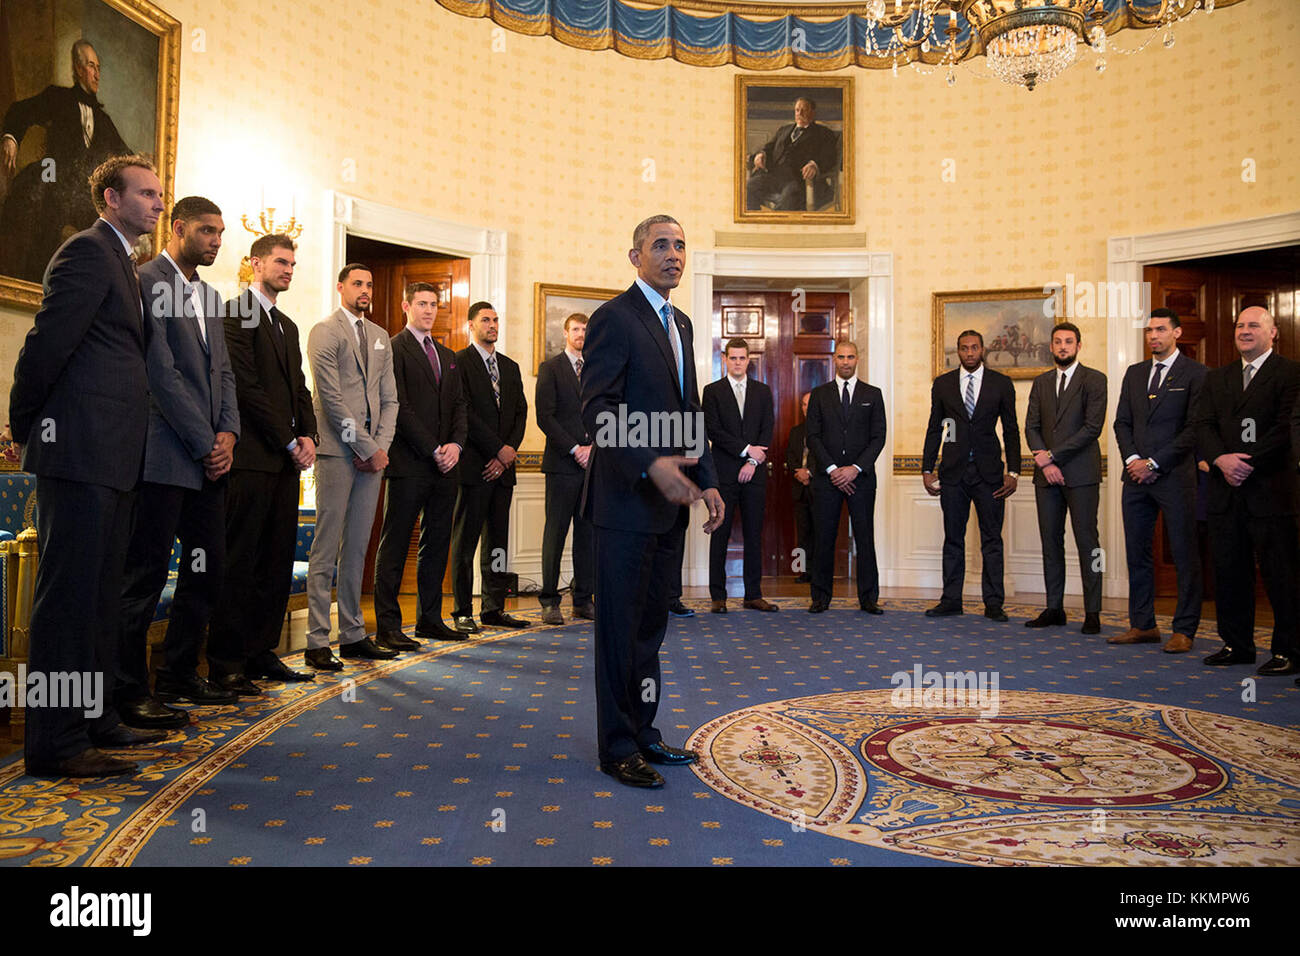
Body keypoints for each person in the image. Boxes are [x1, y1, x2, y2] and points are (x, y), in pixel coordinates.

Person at [8, 154, 163, 776]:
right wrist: (22, 425)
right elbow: (45, 344)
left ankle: (96, 720)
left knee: (100, 597)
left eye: (158, 193)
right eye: (146, 194)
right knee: (70, 600)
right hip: (78, 450)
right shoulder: (87, 251)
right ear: (110, 198)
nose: (157, 203)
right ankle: (56, 742)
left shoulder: (123, 262)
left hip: (115, 455)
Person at [582, 214, 724, 788]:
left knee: (649, 629)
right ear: (635, 256)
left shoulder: (683, 323)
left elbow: (692, 413)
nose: (674, 254)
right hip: (623, 506)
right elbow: (598, 412)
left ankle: (643, 731)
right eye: (660, 245)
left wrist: (708, 477)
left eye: (681, 245)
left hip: (671, 507)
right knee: (619, 631)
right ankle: (616, 747)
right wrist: (651, 462)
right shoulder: (613, 319)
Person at [118, 195, 240, 715]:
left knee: (206, 571)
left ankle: (179, 675)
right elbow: (160, 374)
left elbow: (225, 375)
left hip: (211, 461)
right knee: (143, 578)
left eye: (220, 234)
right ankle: (127, 693)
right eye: (207, 232)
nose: (215, 241)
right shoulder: (146, 281)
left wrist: (229, 434)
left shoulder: (212, 297)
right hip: (166, 456)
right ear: (179, 227)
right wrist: (203, 441)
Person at [208, 234, 317, 693]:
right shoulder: (234, 313)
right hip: (250, 458)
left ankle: (260, 652)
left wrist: (309, 434)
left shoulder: (288, 326)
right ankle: (226, 662)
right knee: (241, 561)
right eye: (279, 262)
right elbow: (245, 388)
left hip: (285, 463)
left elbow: (299, 388)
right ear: (255, 264)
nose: (288, 269)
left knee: (275, 561)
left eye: (292, 263)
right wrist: (289, 439)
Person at [1193, 307, 1300, 676]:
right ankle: (1236, 645)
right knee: (1228, 571)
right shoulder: (1217, 378)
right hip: (1226, 490)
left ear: (1273, 333)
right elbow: (1202, 425)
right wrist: (1222, 459)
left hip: (1270, 490)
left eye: (1254, 325)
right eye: (1240, 325)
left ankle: (1288, 651)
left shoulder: (1290, 373)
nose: (1245, 330)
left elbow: (1286, 428)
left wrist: (1246, 462)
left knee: (1280, 573)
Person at [302, 264, 399, 669]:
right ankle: (316, 640)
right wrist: (363, 444)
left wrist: (379, 447)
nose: (365, 290)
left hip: (372, 456)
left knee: (358, 547)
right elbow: (329, 399)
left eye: (369, 284)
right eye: (357, 283)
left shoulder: (379, 337)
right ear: (340, 287)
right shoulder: (325, 331)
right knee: (326, 548)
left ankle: (354, 634)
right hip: (336, 454)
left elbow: (391, 399)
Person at [372, 282, 468, 644]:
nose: (429, 310)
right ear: (406, 306)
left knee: (437, 543)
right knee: (395, 543)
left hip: (446, 467)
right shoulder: (393, 349)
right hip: (409, 463)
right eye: (422, 304)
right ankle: (388, 626)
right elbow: (400, 408)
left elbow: (460, 405)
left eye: (433, 304)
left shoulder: (448, 355)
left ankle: (430, 618)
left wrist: (456, 445)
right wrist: (434, 449)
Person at [1111, 308, 1207, 653]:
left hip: (1175, 476)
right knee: (1137, 553)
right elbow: (1122, 423)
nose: (1153, 336)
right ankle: (1143, 624)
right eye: (1149, 330)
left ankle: (1185, 629)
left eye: (1161, 330)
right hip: (1135, 476)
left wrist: (1155, 462)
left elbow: (1194, 429)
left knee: (1184, 553)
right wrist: (1134, 460)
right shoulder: (1135, 373)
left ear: (1177, 333)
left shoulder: (1196, 373)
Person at [0, 40, 132, 282]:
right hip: (54, 185)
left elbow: (126, 155)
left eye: (99, 67)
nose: (97, 74)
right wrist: (11, 139)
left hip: (85, 198)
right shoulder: (57, 97)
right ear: (78, 68)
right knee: (39, 230)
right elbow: (21, 111)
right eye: (92, 66)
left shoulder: (103, 119)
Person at [921, 329, 1020, 621]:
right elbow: (934, 428)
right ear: (958, 351)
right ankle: (951, 599)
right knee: (953, 539)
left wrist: (1013, 470)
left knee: (992, 540)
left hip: (990, 474)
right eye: (964, 348)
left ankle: (993, 604)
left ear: (983, 349)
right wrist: (927, 469)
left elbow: (1012, 430)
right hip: (953, 473)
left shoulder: (1001, 384)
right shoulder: (943, 384)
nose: (969, 353)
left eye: (974, 348)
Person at [1024, 322, 1107, 634]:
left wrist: (1053, 457)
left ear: (1079, 346)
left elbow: (1092, 428)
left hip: (1081, 474)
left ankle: (1093, 611)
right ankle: (1054, 607)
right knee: (1050, 542)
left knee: (1089, 543)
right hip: (1046, 477)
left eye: (1068, 342)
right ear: (1051, 346)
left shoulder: (1095, 380)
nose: (1062, 347)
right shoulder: (1041, 382)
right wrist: (1044, 461)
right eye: (1057, 342)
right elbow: (1031, 425)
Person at [450, 302, 529, 631]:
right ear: (471, 325)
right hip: (474, 469)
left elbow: (521, 413)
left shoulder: (509, 367)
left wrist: (509, 450)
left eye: (496, 320)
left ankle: (493, 607)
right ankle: (463, 610)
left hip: (503, 473)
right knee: (465, 543)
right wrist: (497, 450)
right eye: (486, 320)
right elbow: (464, 412)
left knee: (497, 543)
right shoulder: (459, 363)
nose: (493, 325)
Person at [805, 340, 887, 614]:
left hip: (861, 479)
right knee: (824, 538)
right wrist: (832, 470)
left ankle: (868, 598)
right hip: (826, 479)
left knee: (865, 538)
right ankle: (820, 597)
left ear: (857, 359)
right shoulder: (819, 394)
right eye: (841, 357)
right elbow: (813, 436)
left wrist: (855, 468)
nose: (846, 361)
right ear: (834, 359)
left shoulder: (873, 394)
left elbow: (878, 437)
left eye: (851, 357)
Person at [702, 338, 777, 613]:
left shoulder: (763, 391)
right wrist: (747, 451)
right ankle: (718, 597)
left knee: (753, 535)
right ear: (724, 359)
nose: (737, 362)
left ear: (748, 360)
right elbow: (713, 430)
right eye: (732, 358)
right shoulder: (712, 391)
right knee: (719, 534)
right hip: (723, 476)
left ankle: (753, 595)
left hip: (754, 475)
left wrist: (753, 463)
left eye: (742, 358)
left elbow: (767, 429)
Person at [536, 313, 595, 625]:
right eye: (576, 329)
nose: (580, 334)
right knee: (555, 535)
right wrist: (575, 449)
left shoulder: (597, 370)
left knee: (587, 536)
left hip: (592, 466)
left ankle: (583, 600)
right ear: (565, 333)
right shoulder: (551, 368)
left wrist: (593, 449)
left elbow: (605, 413)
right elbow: (545, 418)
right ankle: (549, 600)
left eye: (585, 330)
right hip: (561, 465)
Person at [745, 97, 840, 212]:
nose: (799, 113)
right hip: (774, 176)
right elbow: (769, 147)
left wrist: (814, 164)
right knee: (747, 188)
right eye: (797, 110)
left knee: (788, 200)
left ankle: (778, 227)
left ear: (813, 113)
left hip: (799, 180)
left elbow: (829, 156)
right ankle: (756, 223)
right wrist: (761, 154)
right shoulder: (784, 130)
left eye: (804, 110)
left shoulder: (823, 133)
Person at [785, 392, 814, 583]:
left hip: (818, 488)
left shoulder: (827, 431)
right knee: (802, 532)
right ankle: (804, 571)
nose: (806, 408)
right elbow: (790, 457)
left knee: (820, 532)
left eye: (810, 404)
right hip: (799, 489)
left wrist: (809, 473)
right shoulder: (796, 431)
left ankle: (819, 571)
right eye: (803, 405)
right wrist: (799, 473)